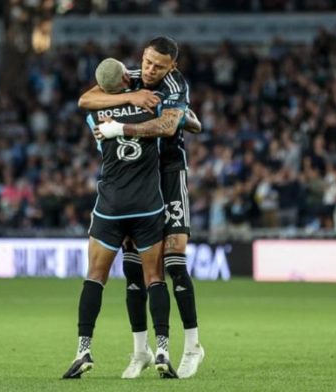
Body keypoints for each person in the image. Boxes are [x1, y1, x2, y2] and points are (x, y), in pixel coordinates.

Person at [81, 36, 205, 379]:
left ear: (172, 67)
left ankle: (193, 346)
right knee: (134, 267)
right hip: (137, 180)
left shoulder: (176, 84)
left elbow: (167, 127)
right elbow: (86, 99)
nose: (150, 70)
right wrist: (132, 96)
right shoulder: (129, 77)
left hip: (168, 172)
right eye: (147, 62)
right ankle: (141, 352)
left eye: (158, 66)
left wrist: (122, 126)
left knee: (175, 259)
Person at [62, 58, 179, 379]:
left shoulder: (96, 113)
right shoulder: (151, 104)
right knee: (155, 278)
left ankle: (83, 349)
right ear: (127, 76)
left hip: (110, 206)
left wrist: (120, 94)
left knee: (94, 278)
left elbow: (88, 98)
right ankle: (164, 351)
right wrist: (134, 95)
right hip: (147, 206)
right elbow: (171, 123)